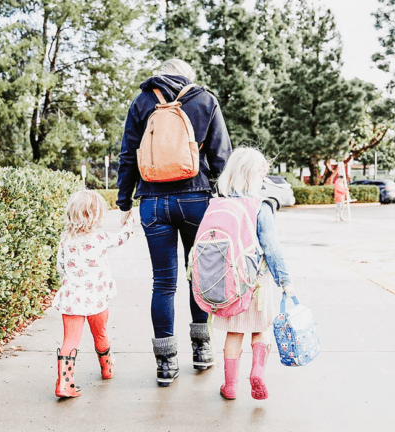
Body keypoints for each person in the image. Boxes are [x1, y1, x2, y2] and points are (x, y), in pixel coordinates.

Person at [116, 59, 232, 386]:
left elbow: (128, 154)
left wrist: (125, 201)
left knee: (163, 282)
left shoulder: (142, 102)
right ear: (187, 76)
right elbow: (222, 155)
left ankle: (165, 364)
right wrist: (230, 199)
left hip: (152, 202)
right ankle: (202, 348)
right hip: (197, 200)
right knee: (200, 274)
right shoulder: (205, 100)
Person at [213, 148, 294, 400]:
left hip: (229, 282)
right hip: (257, 282)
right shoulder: (261, 206)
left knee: (234, 332)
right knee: (261, 328)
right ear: (254, 176)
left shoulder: (218, 203)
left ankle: (231, 387)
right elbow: (271, 247)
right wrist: (285, 281)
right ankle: (257, 371)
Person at [52, 190, 134, 398]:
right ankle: (107, 368)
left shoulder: (65, 240)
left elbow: (60, 268)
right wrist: (129, 223)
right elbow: (122, 238)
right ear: (97, 216)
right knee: (101, 335)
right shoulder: (100, 237)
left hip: (72, 300)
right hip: (97, 299)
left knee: (70, 340)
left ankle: (65, 383)